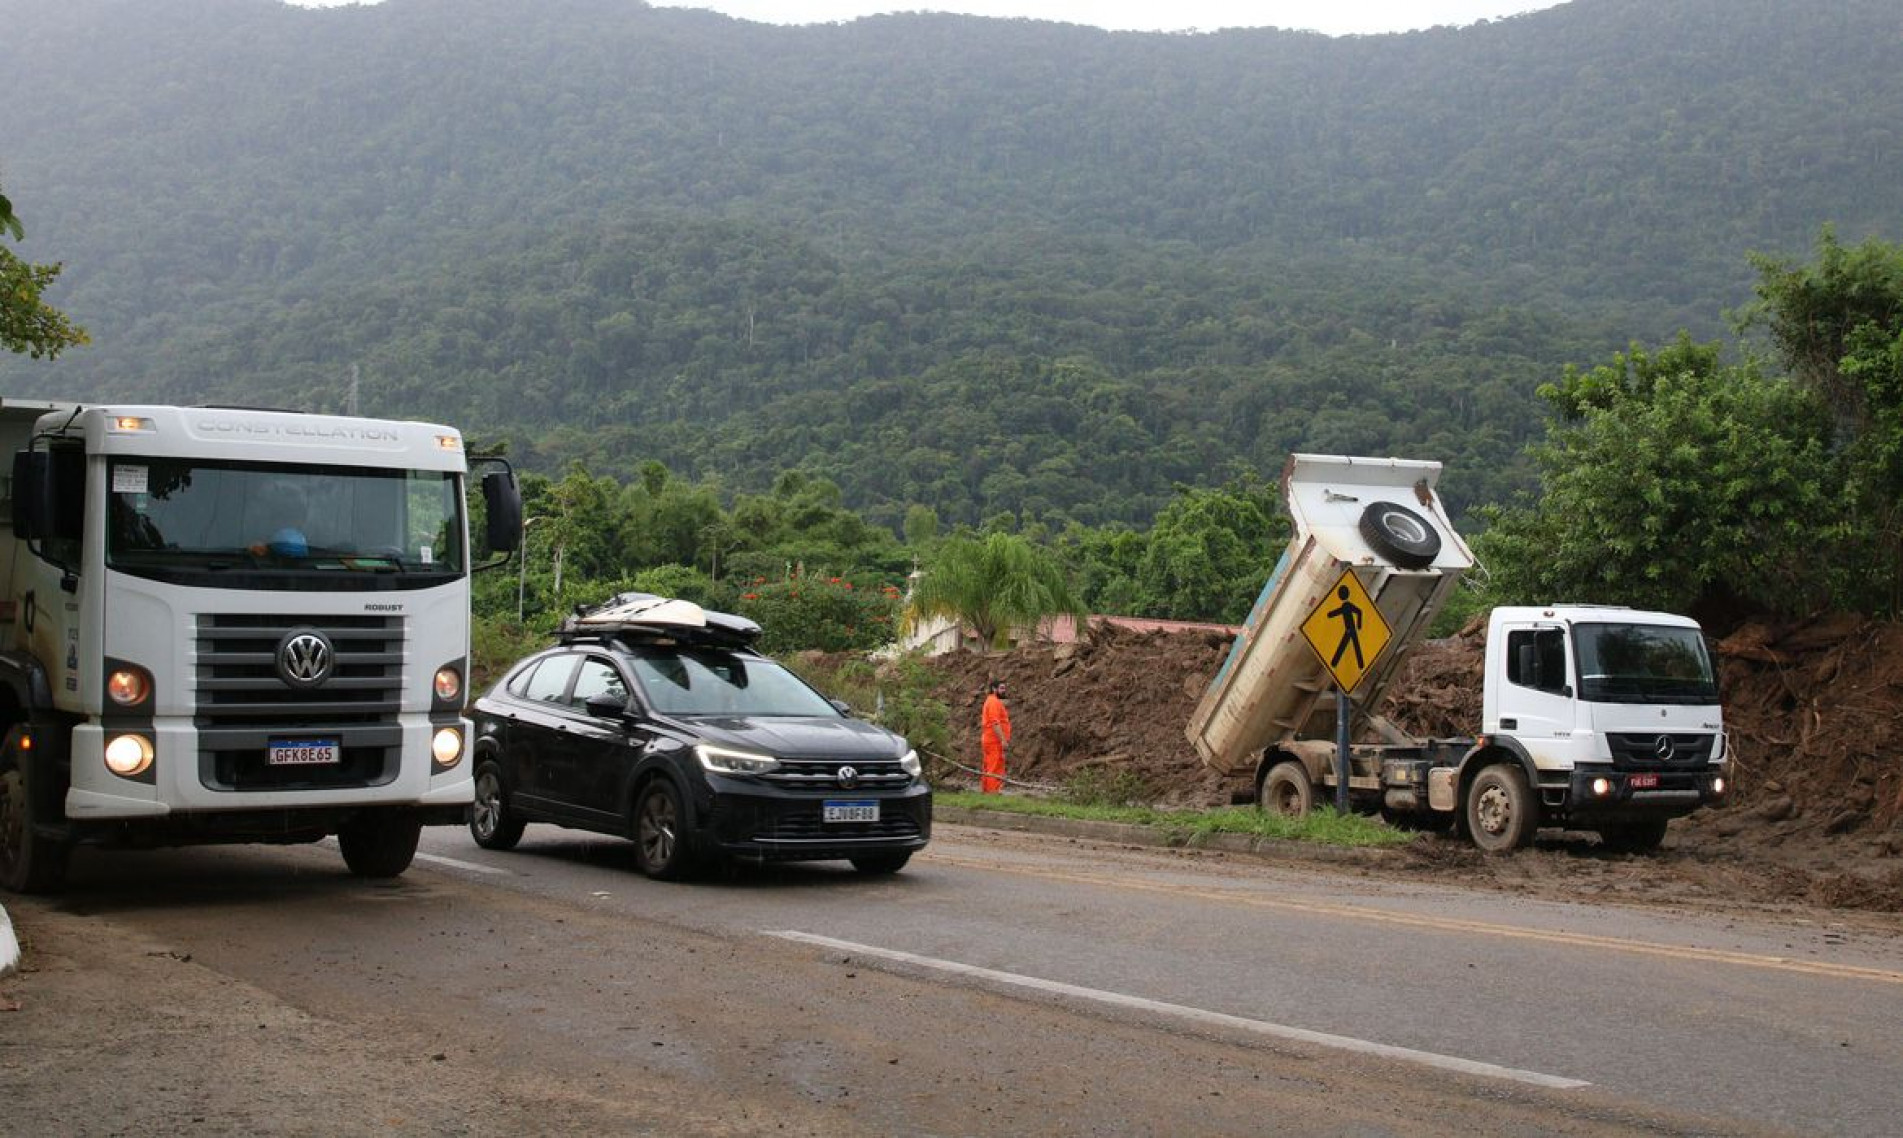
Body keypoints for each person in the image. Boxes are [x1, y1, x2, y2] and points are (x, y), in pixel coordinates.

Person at [980, 679, 1011, 794]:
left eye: (1004, 688)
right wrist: (1003, 740)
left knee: (989, 765)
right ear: (994, 689)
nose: (1004, 690)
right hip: (994, 740)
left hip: (990, 739)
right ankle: (992, 792)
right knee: (995, 766)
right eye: (1002, 688)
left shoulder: (992, 701)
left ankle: (987, 790)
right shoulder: (993, 702)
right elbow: (995, 723)